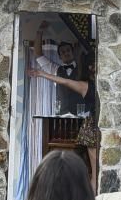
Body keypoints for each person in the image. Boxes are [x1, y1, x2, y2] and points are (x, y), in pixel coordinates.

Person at [29, 53, 99, 190]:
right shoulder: (86, 86)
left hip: (99, 128)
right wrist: (41, 74)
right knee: (96, 173)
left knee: (96, 171)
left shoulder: (93, 85)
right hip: (92, 128)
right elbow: (64, 81)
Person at [34, 21, 83, 115]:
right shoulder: (55, 69)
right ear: (60, 57)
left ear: (73, 52)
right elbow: (38, 55)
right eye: (62, 52)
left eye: (68, 50)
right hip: (61, 115)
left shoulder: (83, 67)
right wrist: (39, 32)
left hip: (81, 115)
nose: (66, 53)